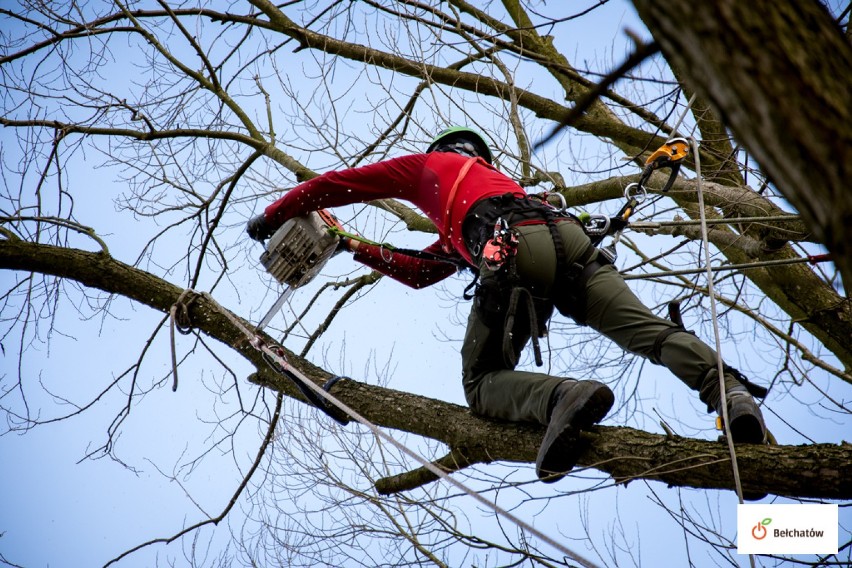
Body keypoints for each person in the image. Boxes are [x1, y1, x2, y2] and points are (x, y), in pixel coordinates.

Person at [247, 126, 769, 482]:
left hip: (513, 245)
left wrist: (273, 216)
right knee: (649, 334)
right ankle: (730, 394)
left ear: (447, 150)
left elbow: (334, 186)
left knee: (482, 382)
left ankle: (564, 397)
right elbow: (422, 272)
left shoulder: (428, 168)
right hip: (569, 241)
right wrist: (352, 244)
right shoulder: (500, 190)